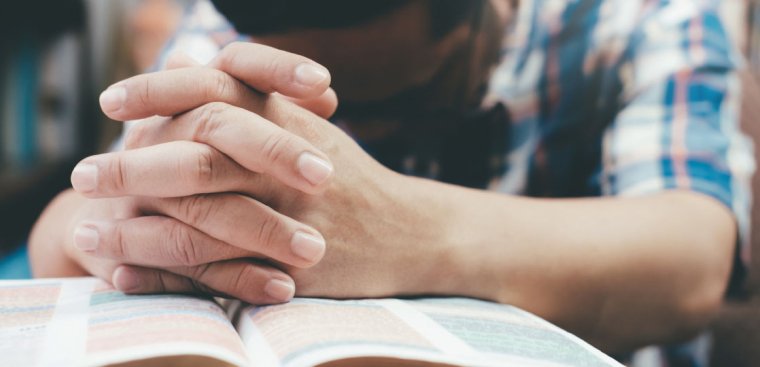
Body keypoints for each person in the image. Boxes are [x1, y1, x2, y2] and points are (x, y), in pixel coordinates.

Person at [28, 0, 754, 358]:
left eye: (397, 98)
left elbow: (691, 259)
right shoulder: (228, 37)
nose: (354, 134)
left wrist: (400, 225)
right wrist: (112, 217)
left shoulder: (645, 19)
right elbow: (67, 232)